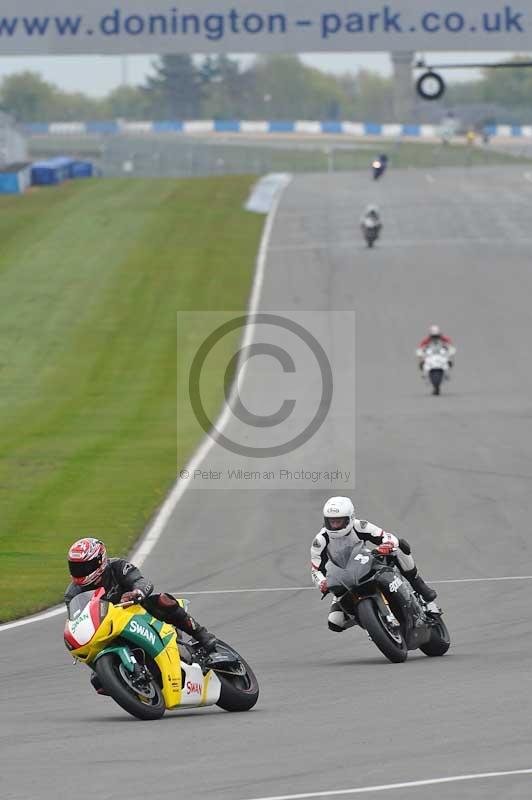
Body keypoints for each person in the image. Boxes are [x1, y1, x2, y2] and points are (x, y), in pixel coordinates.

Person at [65, 538, 217, 692]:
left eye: (84, 567)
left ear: (100, 561)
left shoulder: (117, 567)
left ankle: (202, 635)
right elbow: (79, 619)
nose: (79, 572)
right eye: (75, 567)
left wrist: (136, 592)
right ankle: (127, 682)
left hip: (137, 610)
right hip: (110, 628)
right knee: (98, 680)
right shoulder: (72, 593)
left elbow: (141, 581)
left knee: (163, 600)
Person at [311, 497, 438, 633]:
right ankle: (370, 622)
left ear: (350, 518)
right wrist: (322, 582)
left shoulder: (360, 526)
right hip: (343, 579)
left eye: (339, 521)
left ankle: (420, 586)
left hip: (365, 563)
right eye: (331, 521)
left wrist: (386, 545)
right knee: (335, 622)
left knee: (400, 546)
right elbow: (315, 569)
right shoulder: (320, 540)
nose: (335, 525)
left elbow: (387, 536)